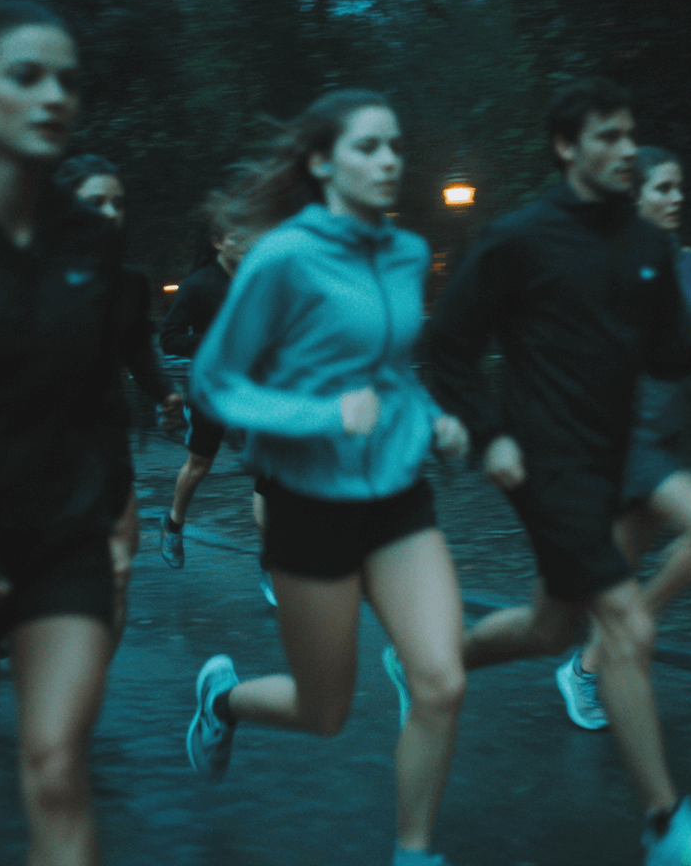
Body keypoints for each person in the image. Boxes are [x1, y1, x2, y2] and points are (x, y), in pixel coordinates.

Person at [421, 79, 691, 865]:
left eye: (627, 135)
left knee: (551, 628)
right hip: (545, 465)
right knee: (625, 623)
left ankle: (434, 664)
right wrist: (490, 435)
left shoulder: (647, 249)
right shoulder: (517, 241)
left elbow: (656, 351)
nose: (621, 151)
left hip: (614, 459)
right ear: (567, 147)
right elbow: (447, 345)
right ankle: (667, 827)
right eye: (606, 138)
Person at [187, 89, 469, 866]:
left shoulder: (407, 254)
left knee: (441, 682)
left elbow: (390, 371)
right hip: (308, 502)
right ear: (320, 162)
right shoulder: (282, 256)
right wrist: (319, 417)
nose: (389, 162)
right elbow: (216, 383)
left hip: (399, 497)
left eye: (396, 147)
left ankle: (414, 853)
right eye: (368, 147)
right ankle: (224, 699)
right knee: (326, 711)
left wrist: (430, 416)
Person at [0, 0, 124, 866]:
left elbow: (97, 396)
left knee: (54, 765)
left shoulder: (90, 240)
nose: (54, 98)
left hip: (58, 542)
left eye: (69, 83)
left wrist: (110, 509)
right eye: (27, 77)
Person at [556, 146, 691, 731]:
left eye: (679, 187)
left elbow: (685, 347)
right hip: (620, 441)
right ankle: (437, 666)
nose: (676, 198)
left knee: (595, 595)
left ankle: (583, 672)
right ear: (632, 197)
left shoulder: (690, 265)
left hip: (664, 437)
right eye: (663, 188)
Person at [55, 153, 185, 642]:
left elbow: (138, 353)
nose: (110, 213)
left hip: (107, 446)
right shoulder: (27, 275)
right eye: (94, 203)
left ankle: (82, 691)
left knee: (116, 574)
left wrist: (166, 394)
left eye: (118, 203)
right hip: (34, 455)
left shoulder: (130, 284)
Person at [157, 191, 261, 572]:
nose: (247, 242)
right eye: (237, 237)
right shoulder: (199, 284)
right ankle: (173, 524)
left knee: (267, 469)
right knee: (200, 465)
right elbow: (169, 337)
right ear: (218, 241)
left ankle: (272, 563)